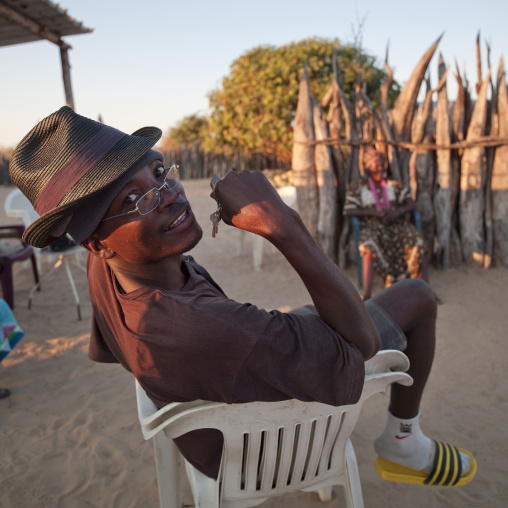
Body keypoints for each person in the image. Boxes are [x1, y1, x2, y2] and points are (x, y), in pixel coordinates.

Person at [9, 107, 474, 487]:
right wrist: (283, 225)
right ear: (95, 240)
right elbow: (364, 343)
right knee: (416, 295)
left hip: (211, 407)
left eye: (158, 172)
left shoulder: (107, 268)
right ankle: (403, 442)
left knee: (315, 312)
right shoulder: (199, 326)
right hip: (255, 451)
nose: (168, 194)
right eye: (133, 201)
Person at [344, 147, 428, 301]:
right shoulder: (360, 188)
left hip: (396, 224)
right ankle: (367, 295)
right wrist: (374, 213)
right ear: (368, 167)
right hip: (373, 226)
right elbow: (349, 210)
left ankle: (425, 290)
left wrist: (396, 213)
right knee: (367, 245)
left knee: (416, 240)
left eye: (382, 165)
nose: (381, 168)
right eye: (377, 165)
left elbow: (411, 204)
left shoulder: (393, 184)